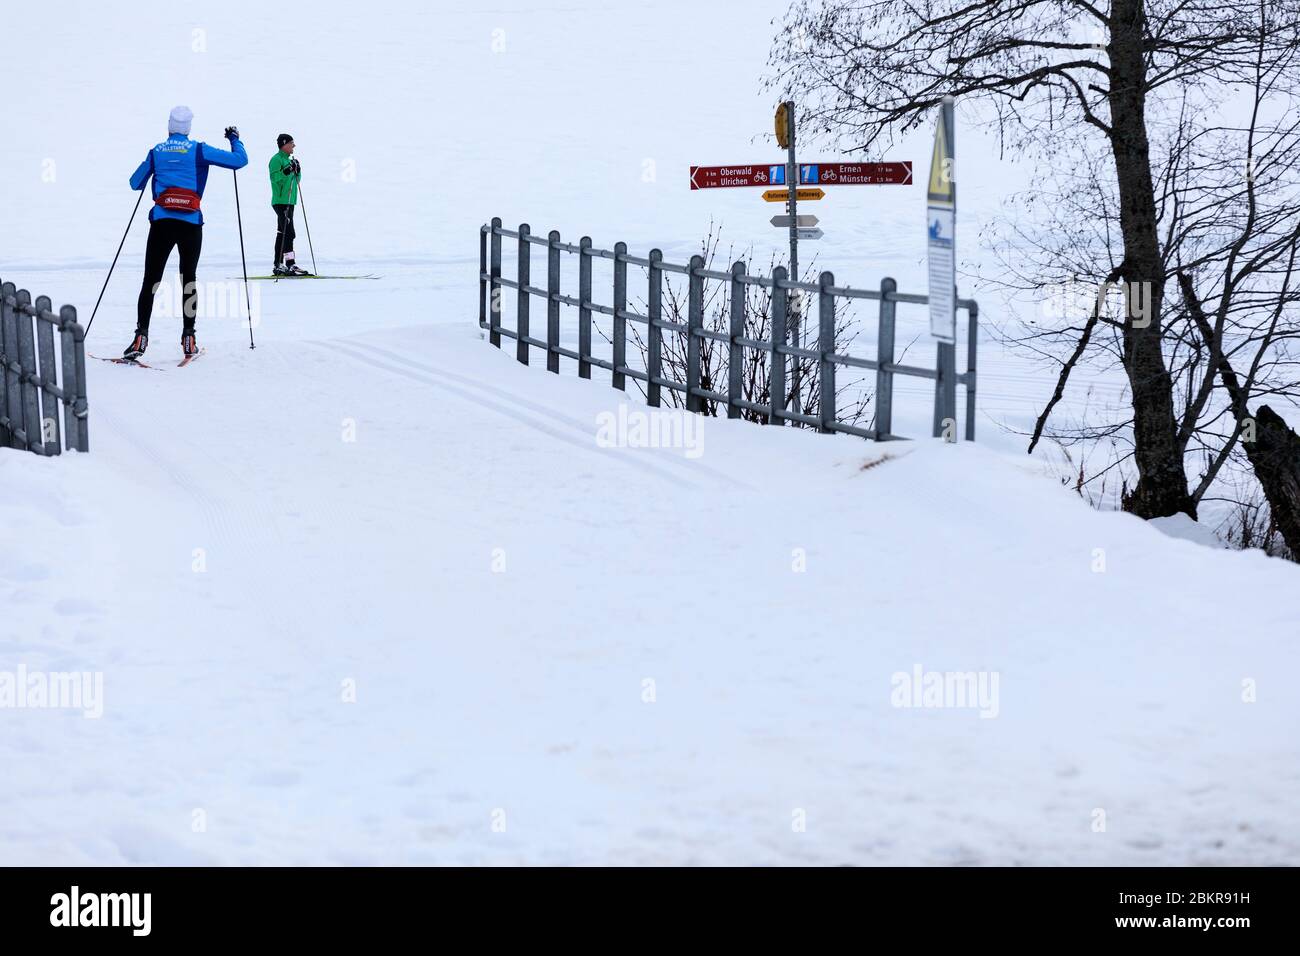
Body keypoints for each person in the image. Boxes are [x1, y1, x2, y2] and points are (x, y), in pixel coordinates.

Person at [124, 106, 248, 359]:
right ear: (188, 128)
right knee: (188, 279)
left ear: (169, 126)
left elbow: (135, 183)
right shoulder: (199, 150)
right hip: (191, 224)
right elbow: (239, 161)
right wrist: (235, 138)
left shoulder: (156, 151)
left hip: (161, 223)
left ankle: (140, 336)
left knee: (151, 280)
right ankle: (189, 337)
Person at [270, 134, 308, 275]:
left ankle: (279, 264)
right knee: (289, 233)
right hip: (281, 202)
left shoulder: (289, 160)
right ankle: (290, 264)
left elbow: (296, 180)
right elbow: (274, 178)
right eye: (292, 143)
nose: (294, 146)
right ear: (284, 144)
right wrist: (286, 171)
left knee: (282, 232)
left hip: (290, 202)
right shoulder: (276, 159)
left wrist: (297, 171)